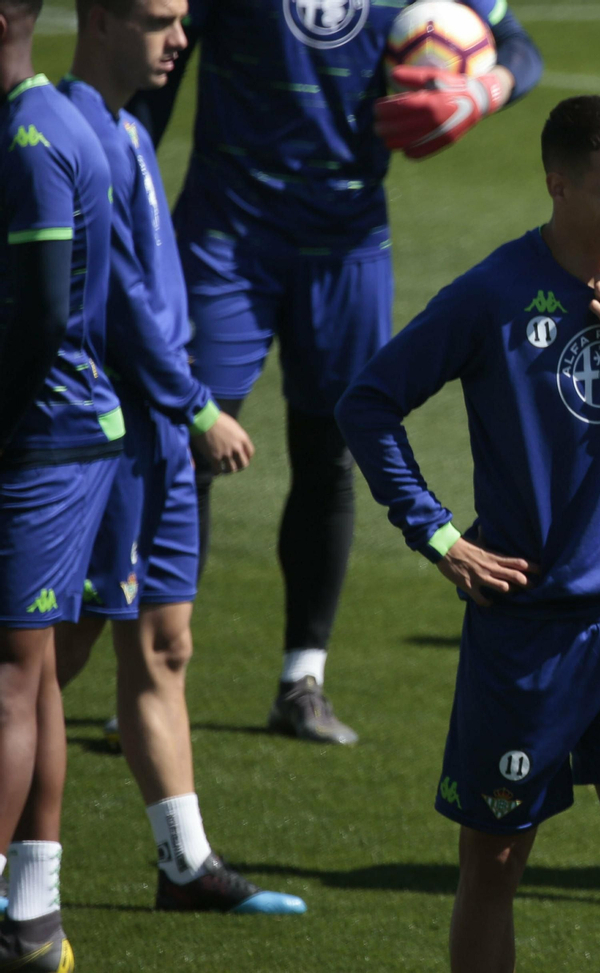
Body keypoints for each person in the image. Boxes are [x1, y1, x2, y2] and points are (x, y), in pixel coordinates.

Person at [339, 96, 600, 973]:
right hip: (524, 634)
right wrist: (438, 536)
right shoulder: (494, 295)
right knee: (493, 865)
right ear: (558, 183)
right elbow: (368, 403)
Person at [127, 0, 543, 744]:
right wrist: (125, 166)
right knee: (187, 447)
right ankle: (153, 677)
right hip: (228, 234)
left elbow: (516, 43)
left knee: (330, 451)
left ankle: (302, 679)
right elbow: (160, 58)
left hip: (347, 242)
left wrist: (482, 90)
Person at [49, 0, 306, 917]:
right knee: (56, 651)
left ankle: (184, 864)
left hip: (155, 439)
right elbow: (112, 298)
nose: (181, 38)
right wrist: (197, 406)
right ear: (103, 18)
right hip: (113, 438)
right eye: (160, 19)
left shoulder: (127, 127)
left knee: (165, 644)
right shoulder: (75, 129)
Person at [0, 0, 120, 962]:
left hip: (43, 438)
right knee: (29, 671)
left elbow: (41, 319)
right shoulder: (38, 121)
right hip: (53, 433)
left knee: (8, 677)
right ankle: (31, 916)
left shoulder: (37, 138)